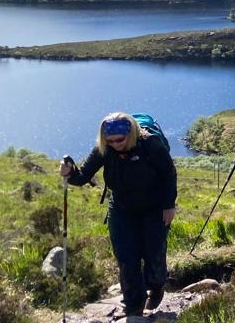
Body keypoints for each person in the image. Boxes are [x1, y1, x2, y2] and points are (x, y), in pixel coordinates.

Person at [59, 113, 177, 317]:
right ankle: (134, 307)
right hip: (121, 209)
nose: (115, 144)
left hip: (155, 207)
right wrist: (69, 173)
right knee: (126, 257)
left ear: (130, 134)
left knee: (154, 252)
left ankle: (157, 286)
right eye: (110, 141)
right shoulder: (104, 149)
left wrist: (169, 206)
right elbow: (83, 177)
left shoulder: (150, 144)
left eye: (119, 140)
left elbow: (169, 173)